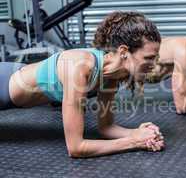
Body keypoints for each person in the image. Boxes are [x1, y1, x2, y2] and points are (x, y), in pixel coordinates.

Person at [0, 11, 165, 157]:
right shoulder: (80, 67)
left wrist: (139, 133)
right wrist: (136, 142)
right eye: (149, 57)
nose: (154, 64)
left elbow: (106, 128)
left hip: (18, 77)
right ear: (123, 52)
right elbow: (76, 147)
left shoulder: (112, 76)